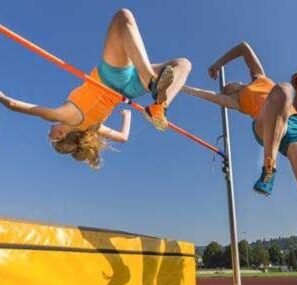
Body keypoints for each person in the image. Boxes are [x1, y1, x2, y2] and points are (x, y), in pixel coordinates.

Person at [182, 42, 297, 285]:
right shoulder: (236, 101)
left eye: (231, 85)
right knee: (282, 90)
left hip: (295, 125)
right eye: (226, 90)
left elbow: (243, 47)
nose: (228, 88)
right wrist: (181, 87)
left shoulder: (258, 77)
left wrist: (218, 63)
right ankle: (269, 167)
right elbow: (204, 94)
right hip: (264, 127)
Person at [0, 8, 192, 168]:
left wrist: (127, 117)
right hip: (112, 77)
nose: (49, 131)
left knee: (183, 63)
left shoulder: (93, 128)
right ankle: (153, 84)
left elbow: (123, 138)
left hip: (130, 89)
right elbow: (12, 104)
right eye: (50, 137)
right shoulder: (63, 116)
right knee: (123, 17)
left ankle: (160, 107)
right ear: (60, 135)